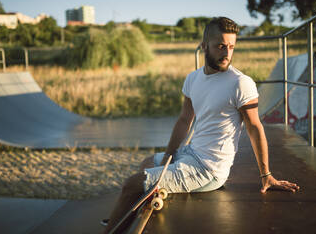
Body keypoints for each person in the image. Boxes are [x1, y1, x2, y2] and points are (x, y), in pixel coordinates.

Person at [102, 17, 299, 233]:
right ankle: (126, 220)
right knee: (147, 162)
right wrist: (169, 154)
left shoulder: (241, 83)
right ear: (204, 46)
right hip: (190, 153)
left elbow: (254, 128)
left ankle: (112, 229)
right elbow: (185, 119)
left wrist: (266, 175)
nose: (226, 53)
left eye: (231, 47)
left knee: (131, 184)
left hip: (209, 169)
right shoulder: (193, 79)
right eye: (220, 46)